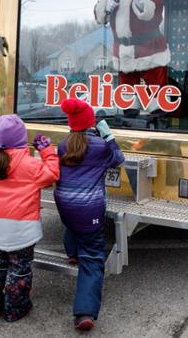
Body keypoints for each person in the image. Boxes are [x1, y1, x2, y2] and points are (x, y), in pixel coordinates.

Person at [0, 114, 60, 322]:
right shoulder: (30, 165)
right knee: (19, 270)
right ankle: (15, 309)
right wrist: (47, 152)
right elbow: (52, 174)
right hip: (23, 229)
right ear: (21, 139)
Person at [54, 98, 124, 331]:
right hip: (89, 209)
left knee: (73, 224)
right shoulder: (100, 147)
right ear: (91, 124)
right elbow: (119, 159)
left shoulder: (63, 145)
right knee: (93, 259)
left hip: (64, 204)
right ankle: (84, 313)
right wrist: (109, 136)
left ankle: (72, 252)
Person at [94, 0, 170, 88]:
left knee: (156, 94)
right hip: (123, 54)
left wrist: (144, 6)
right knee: (127, 95)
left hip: (150, 51)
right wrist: (105, 7)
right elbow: (99, 17)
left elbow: (157, 13)